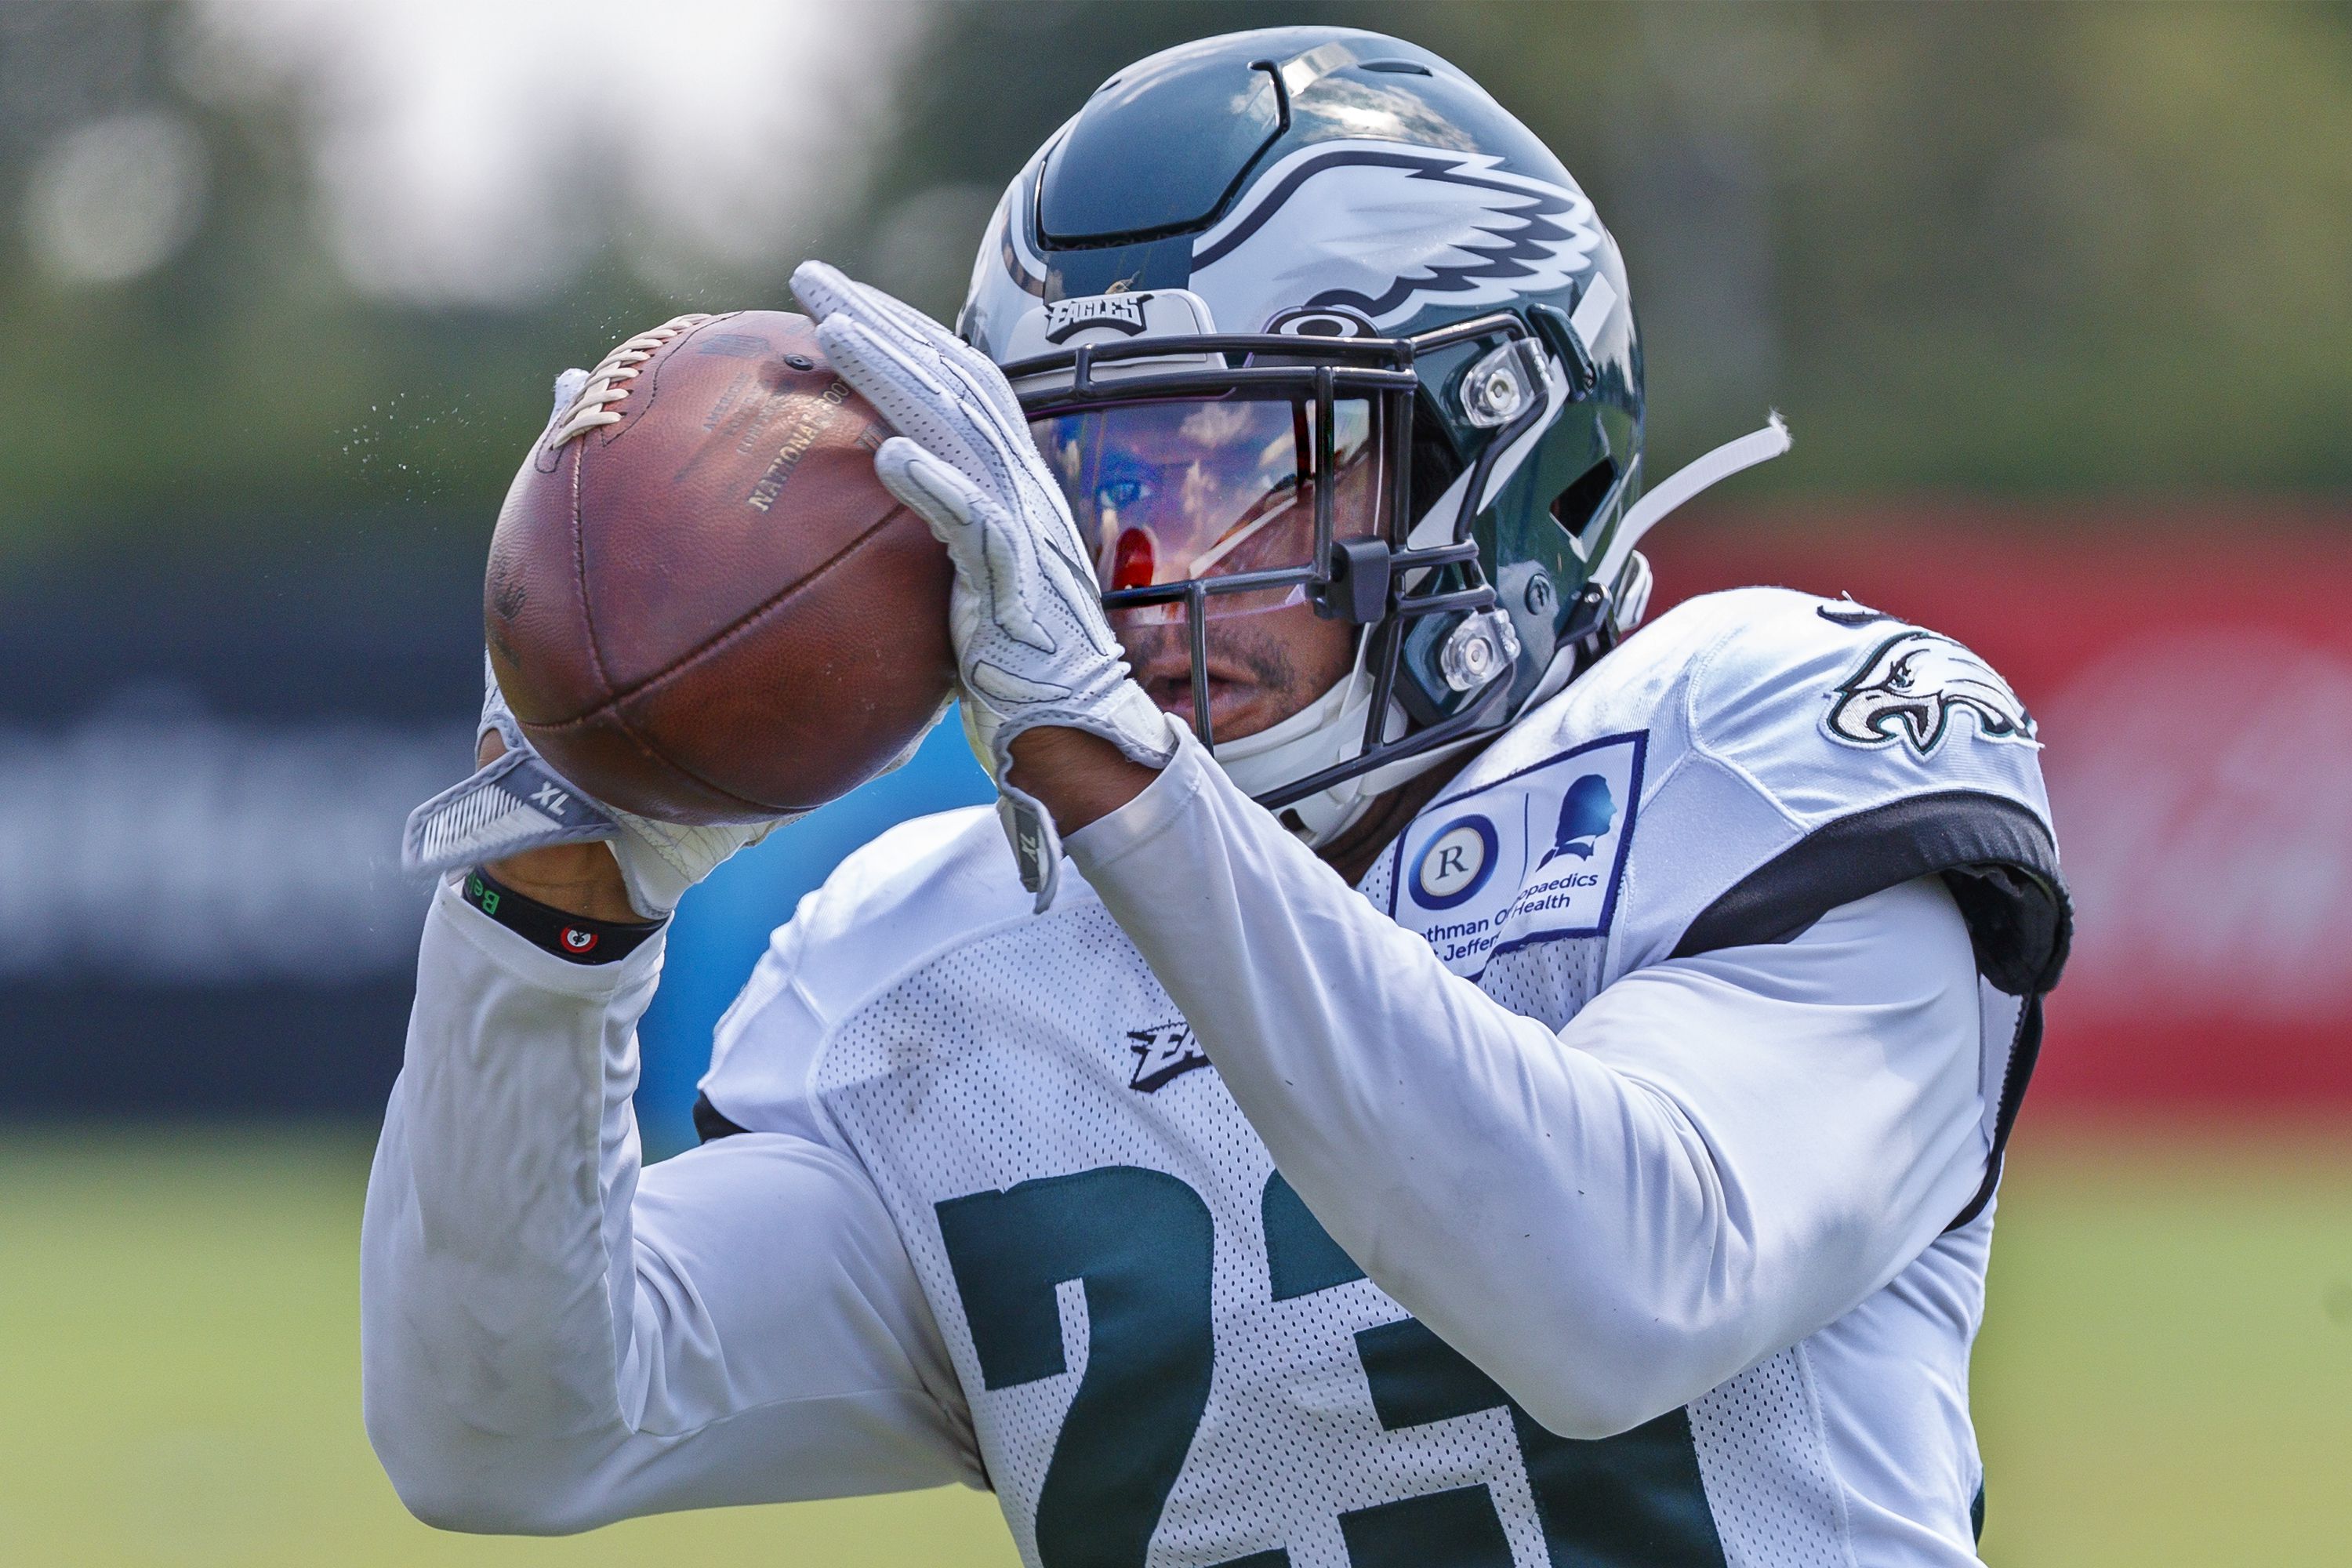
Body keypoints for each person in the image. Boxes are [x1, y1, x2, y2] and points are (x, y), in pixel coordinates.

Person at [365, 27, 2068, 1568]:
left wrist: (1120, 780)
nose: (1123, 575)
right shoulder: (943, 960)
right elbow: (511, 1424)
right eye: (1075, 485)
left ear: (1496, 454)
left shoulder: (1753, 740)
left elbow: (1619, 1292)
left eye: (1236, 473)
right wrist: (552, 896)